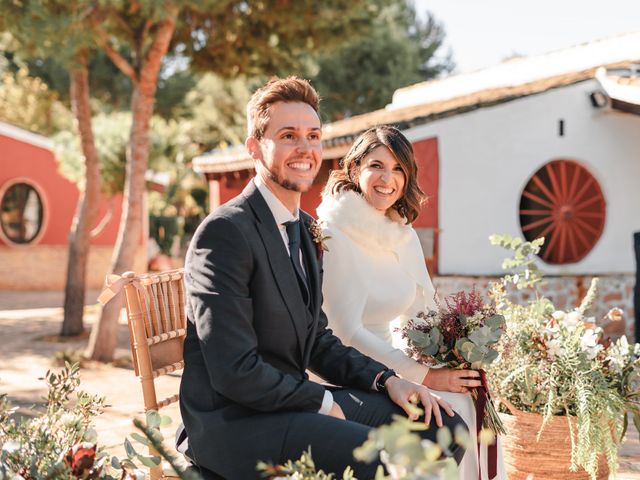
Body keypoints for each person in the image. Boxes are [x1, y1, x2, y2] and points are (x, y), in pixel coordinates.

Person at [176, 78, 468, 480]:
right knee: (381, 457)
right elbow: (234, 371)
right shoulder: (225, 232)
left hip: (290, 404)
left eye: (313, 136)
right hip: (235, 423)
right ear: (255, 147)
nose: (305, 148)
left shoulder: (305, 228)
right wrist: (323, 403)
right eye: (288, 136)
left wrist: (388, 381)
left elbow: (317, 339)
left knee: (446, 428)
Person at [317, 125, 506, 480]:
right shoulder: (334, 232)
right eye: (376, 165)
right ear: (355, 169)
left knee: (467, 397)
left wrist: (456, 356)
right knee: (444, 411)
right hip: (348, 372)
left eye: (399, 169)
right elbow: (345, 332)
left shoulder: (400, 233)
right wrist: (424, 376)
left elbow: (422, 314)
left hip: (395, 368)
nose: (387, 179)